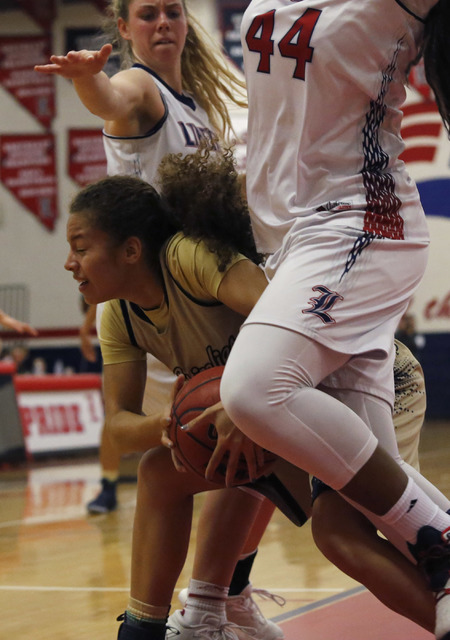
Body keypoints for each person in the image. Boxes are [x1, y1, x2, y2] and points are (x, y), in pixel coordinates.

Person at [66, 151, 445, 640]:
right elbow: (118, 427)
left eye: (81, 246)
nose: (69, 262)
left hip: (358, 380)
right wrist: (166, 427)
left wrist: (244, 409)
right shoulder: (117, 315)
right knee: (162, 470)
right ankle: (148, 630)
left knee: (344, 535)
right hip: (274, 417)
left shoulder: (188, 258)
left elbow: (299, 328)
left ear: (132, 251)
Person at [214, 2, 450, 640]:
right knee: (345, 527)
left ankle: (444, 535)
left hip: (360, 221)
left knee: (252, 389)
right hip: (291, 245)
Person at [35, 0, 247, 515]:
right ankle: (205, 587)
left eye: (172, 11)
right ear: (125, 28)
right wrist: (90, 80)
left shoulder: (196, 105)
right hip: (156, 297)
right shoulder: (141, 85)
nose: (164, 23)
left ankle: (218, 589)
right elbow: (112, 100)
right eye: (148, 14)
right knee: (199, 449)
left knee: (236, 454)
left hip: (196, 288)